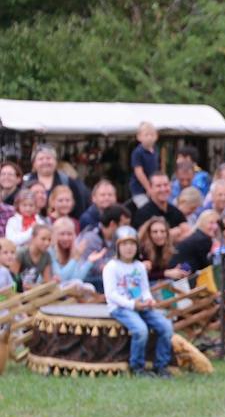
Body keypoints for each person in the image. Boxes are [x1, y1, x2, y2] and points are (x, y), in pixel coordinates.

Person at [102, 225, 175, 379]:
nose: (129, 248)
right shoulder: (111, 267)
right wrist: (132, 305)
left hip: (141, 306)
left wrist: (149, 299)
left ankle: (161, 365)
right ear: (117, 246)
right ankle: (137, 367)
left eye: (132, 244)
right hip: (120, 307)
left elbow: (144, 289)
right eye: (124, 244)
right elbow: (111, 294)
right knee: (140, 330)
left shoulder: (139, 266)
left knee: (166, 327)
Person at [22, 144, 90, 219]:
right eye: (41, 159)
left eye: (49, 158)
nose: (45, 162)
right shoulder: (25, 182)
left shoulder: (68, 181)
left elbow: (79, 209)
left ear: (56, 161)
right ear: (34, 163)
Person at [129, 121, 160, 207]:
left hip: (154, 185)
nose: (149, 137)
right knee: (145, 207)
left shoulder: (156, 149)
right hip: (139, 188)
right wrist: (148, 188)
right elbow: (139, 172)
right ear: (139, 137)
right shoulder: (137, 152)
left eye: (152, 135)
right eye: (146, 135)